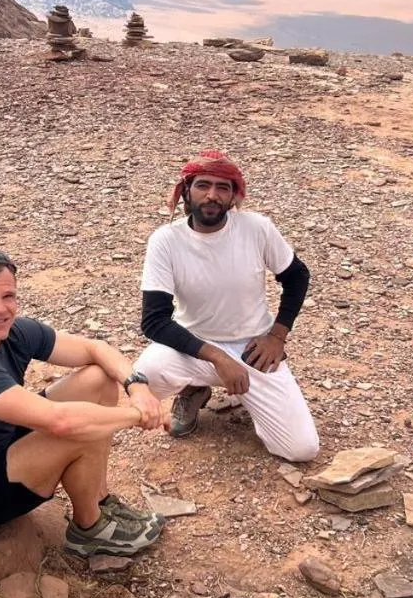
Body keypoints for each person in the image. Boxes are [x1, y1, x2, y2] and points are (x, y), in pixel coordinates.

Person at [0, 249, 166, 557]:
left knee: (98, 380)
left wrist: (136, 387)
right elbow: (61, 421)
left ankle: (100, 503)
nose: (0, 308)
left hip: (2, 445)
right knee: (78, 428)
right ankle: (90, 530)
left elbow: (95, 348)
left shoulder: (12, 332)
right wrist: (136, 414)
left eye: (8, 296)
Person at [133, 150, 320, 462]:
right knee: (142, 377)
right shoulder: (165, 241)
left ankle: (249, 394)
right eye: (203, 185)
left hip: (253, 350)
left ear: (234, 196)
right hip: (194, 346)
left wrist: (276, 336)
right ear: (185, 192)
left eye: (223, 188)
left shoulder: (257, 228)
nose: (212, 196)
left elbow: (297, 276)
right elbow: (154, 322)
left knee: (301, 450)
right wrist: (218, 358)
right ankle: (194, 387)